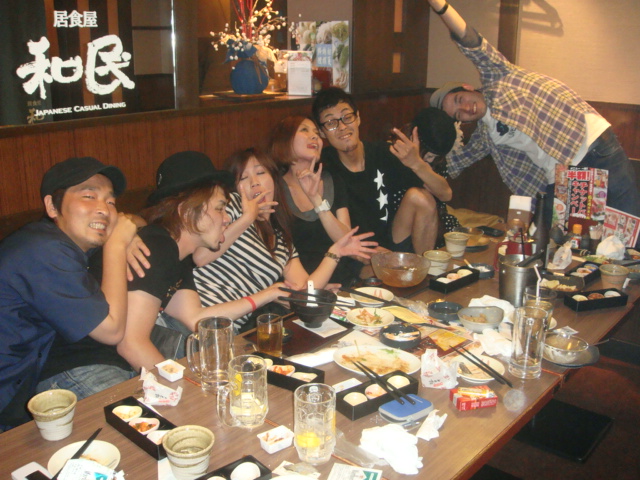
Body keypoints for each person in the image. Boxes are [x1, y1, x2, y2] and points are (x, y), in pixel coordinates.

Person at [427, 0, 640, 229]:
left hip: (592, 147)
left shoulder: (499, 76)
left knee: (628, 230)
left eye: (460, 100)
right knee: (561, 239)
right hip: (564, 177)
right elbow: (455, 163)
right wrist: (422, 159)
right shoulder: (485, 136)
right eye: (459, 115)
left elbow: (470, 41)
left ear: (468, 88)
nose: (466, 109)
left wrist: (440, 6)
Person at [0, 157, 137, 429]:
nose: (104, 209)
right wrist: (117, 246)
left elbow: (135, 220)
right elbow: (112, 330)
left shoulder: (57, 242)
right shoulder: (43, 250)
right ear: (52, 206)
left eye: (111, 202)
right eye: (89, 196)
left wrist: (129, 233)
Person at [193, 148, 377, 333]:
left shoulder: (280, 240)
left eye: (260, 173)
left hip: (225, 330)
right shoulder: (230, 206)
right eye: (243, 178)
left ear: (274, 180)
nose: (254, 182)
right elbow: (201, 256)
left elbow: (304, 294)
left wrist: (335, 252)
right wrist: (248, 217)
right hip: (196, 317)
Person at [312, 87, 452, 255]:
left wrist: (417, 164)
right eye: (331, 123)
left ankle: (426, 266)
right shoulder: (324, 168)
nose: (342, 127)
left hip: (393, 242)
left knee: (421, 198)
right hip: (354, 252)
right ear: (321, 132)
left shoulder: (382, 153)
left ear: (358, 118)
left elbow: (445, 194)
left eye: (347, 117)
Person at [269, 115, 364, 286]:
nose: (314, 136)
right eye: (304, 130)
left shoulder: (332, 179)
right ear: (285, 139)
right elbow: (276, 254)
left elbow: (345, 240)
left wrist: (317, 201)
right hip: (300, 285)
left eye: (316, 133)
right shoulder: (273, 188)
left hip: (343, 280)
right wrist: (316, 286)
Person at [412, 107, 465, 241]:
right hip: (410, 223)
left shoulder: (437, 161)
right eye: (429, 156)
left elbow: (446, 195)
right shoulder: (396, 154)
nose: (430, 161)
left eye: (435, 157)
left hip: (438, 219)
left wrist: (421, 166)